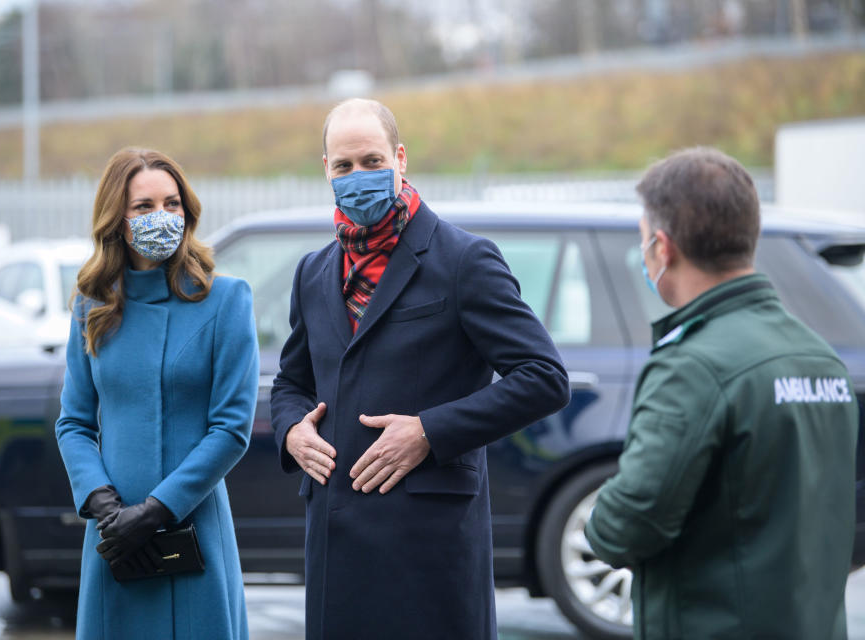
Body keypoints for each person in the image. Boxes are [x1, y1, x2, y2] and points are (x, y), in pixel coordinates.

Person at [269, 98, 570, 639]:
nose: (357, 177)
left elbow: (544, 377)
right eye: (344, 167)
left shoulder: (464, 260)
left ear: (400, 159)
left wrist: (430, 432)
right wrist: (293, 429)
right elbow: (292, 381)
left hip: (429, 550)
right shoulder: (313, 273)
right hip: (337, 551)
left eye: (371, 161)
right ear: (326, 171)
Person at [585, 147, 858, 640]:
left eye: (644, 241)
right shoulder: (820, 357)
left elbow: (631, 521)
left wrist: (599, 524)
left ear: (662, 248)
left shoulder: (692, 365)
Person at [55, 148, 258, 640]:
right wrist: (104, 506)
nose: (161, 216)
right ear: (118, 221)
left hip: (193, 529)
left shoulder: (227, 300)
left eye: (172, 204)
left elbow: (231, 428)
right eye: (144, 207)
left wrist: (155, 511)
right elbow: (75, 422)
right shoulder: (92, 307)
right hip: (116, 537)